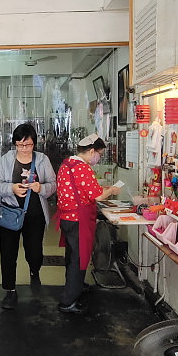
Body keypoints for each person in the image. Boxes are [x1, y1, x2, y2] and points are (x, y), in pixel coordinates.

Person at [0, 123, 57, 310]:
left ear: (34, 143)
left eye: (27, 145)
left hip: (34, 214)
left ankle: (34, 270)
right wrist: (11, 188)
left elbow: (53, 184)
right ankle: (10, 290)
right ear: (14, 144)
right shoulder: (6, 159)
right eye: (19, 145)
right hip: (10, 212)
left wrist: (41, 188)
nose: (23, 149)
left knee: (34, 251)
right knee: (8, 253)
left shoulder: (42, 160)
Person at [55, 133, 121, 315]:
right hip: (79, 220)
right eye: (99, 155)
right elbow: (97, 196)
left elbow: (84, 190)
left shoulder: (67, 163)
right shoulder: (82, 168)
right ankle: (68, 301)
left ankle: (75, 286)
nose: (99, 159)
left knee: (72, 256)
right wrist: (112, 190)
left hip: (67, 218)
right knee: (79, 258)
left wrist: (102, 190)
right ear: (91, 151)